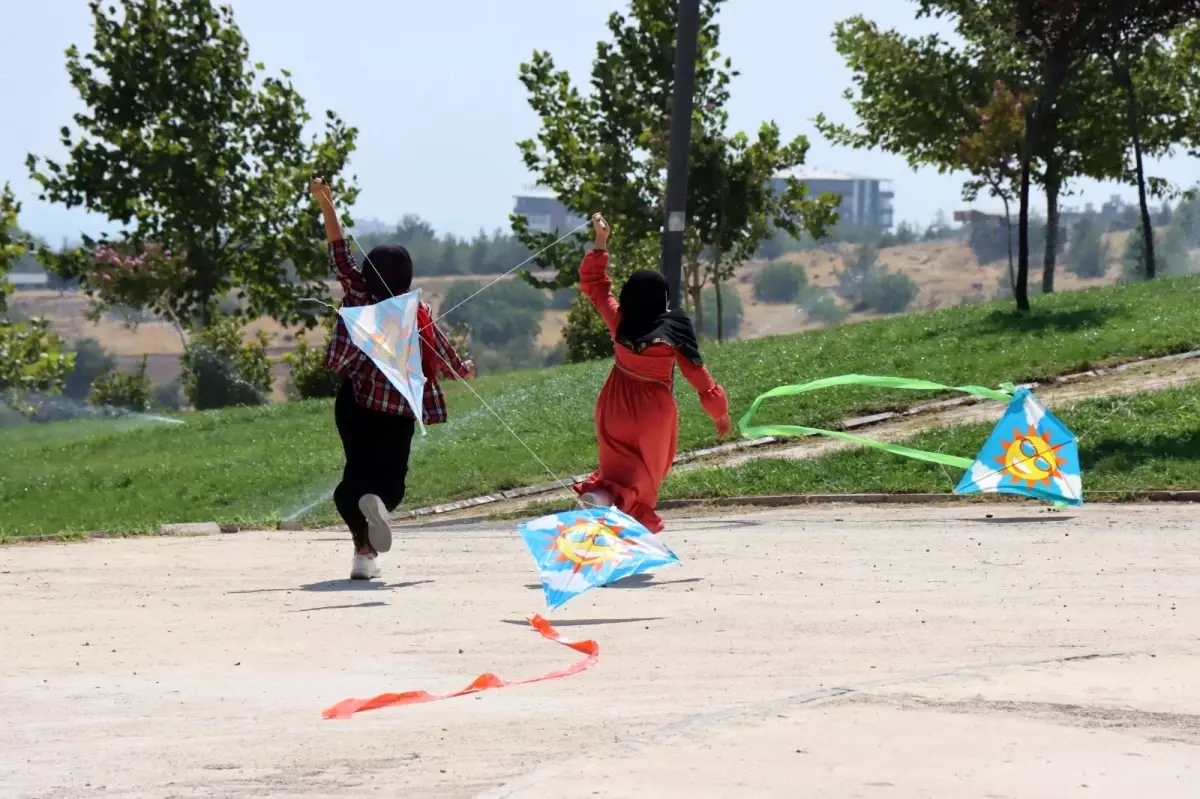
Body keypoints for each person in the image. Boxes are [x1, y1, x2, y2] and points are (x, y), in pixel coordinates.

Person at [310, 177, 475, 580]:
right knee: (391, 484)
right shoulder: (413, 313)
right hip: (398, 410)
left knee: (353, 480)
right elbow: (441, 353)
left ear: (367, 274)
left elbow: (338, 252)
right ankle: (378, 507)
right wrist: (462, 369)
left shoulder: (357, 295)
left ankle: (363, 553)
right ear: (406, 278)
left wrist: (326, 202)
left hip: (354, 404)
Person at [574, 213, 731, 533]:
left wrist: (601, 241)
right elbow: (698, 375)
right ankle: (625, 527)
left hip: (615, 401)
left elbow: (595, 286)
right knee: (644, 477)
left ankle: (603, 499)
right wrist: (719, 411)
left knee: (615, 470)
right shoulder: (672, 331)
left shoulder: (620, 321)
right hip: (653, 413)